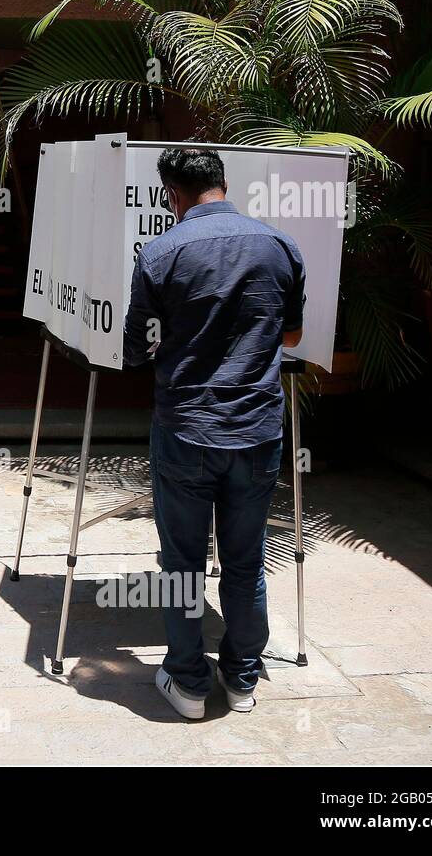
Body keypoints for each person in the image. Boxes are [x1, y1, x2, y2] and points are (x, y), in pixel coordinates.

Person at [124, 148, 305, 720]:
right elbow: (292, 337)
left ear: (171, 195)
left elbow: (135, 349)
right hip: (256, 429)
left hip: (186, 429)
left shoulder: (161, 252)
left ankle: (188, 684)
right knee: (246, 561)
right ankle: (243, 678)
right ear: (224, 183)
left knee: (182, 563)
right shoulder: (279, 246)